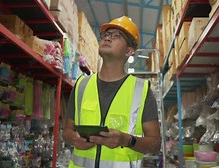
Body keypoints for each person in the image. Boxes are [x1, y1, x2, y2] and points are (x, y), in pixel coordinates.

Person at [63, 16, 161, 168]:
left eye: (116, 36)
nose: (108, 38)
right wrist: (74, 139)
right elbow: (67, 131)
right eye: (106, 35)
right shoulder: (81, 85)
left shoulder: (141, 91)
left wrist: (126, 140)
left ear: (129, 51)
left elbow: (155, 144)